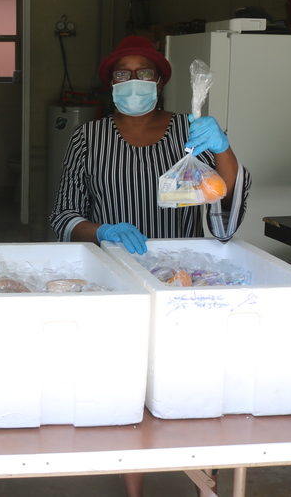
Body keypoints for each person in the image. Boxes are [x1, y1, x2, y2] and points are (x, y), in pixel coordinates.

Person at [49, 35, 251, 497]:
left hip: (183, 280)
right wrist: (100, 231)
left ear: (160, 81)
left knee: (192, 378)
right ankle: (133, 487)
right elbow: (62, 215)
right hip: (115, 279)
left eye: (145, 74)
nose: (134, 82)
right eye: (123, 75)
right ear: (110, 84)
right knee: (126, 382)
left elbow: (225, 210)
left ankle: (208, 480)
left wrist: (222, 147)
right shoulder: (88, 137)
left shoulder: (190, 131)